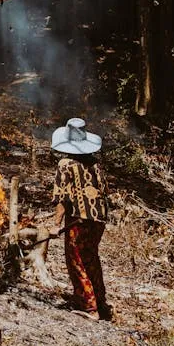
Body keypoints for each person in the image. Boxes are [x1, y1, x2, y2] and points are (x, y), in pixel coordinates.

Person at [49, 117, 112, 321]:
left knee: (76, 261)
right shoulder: (96, 164)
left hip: (79, 220)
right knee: (91, 257)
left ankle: (89, 307)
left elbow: (62, 198)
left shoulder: (65, 164)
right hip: (99, 219)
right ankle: (100, 302)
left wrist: (56, 225)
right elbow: (105, 192)